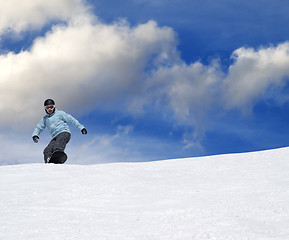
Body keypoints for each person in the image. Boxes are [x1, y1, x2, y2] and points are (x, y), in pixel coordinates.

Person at [32, 99, 87, 163]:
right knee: (47, 150)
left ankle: (58, 154)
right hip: (55, 137)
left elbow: (71, 119)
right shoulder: (45, 119)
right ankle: (48, 161)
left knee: (58, 145)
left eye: (51, 107)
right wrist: (35, 135)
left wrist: (81, 128)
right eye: (47, 108)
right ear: (45, 109)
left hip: (64, 133)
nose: (49, 109)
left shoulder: (60, 113)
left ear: (54, 107)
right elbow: (39, 127)